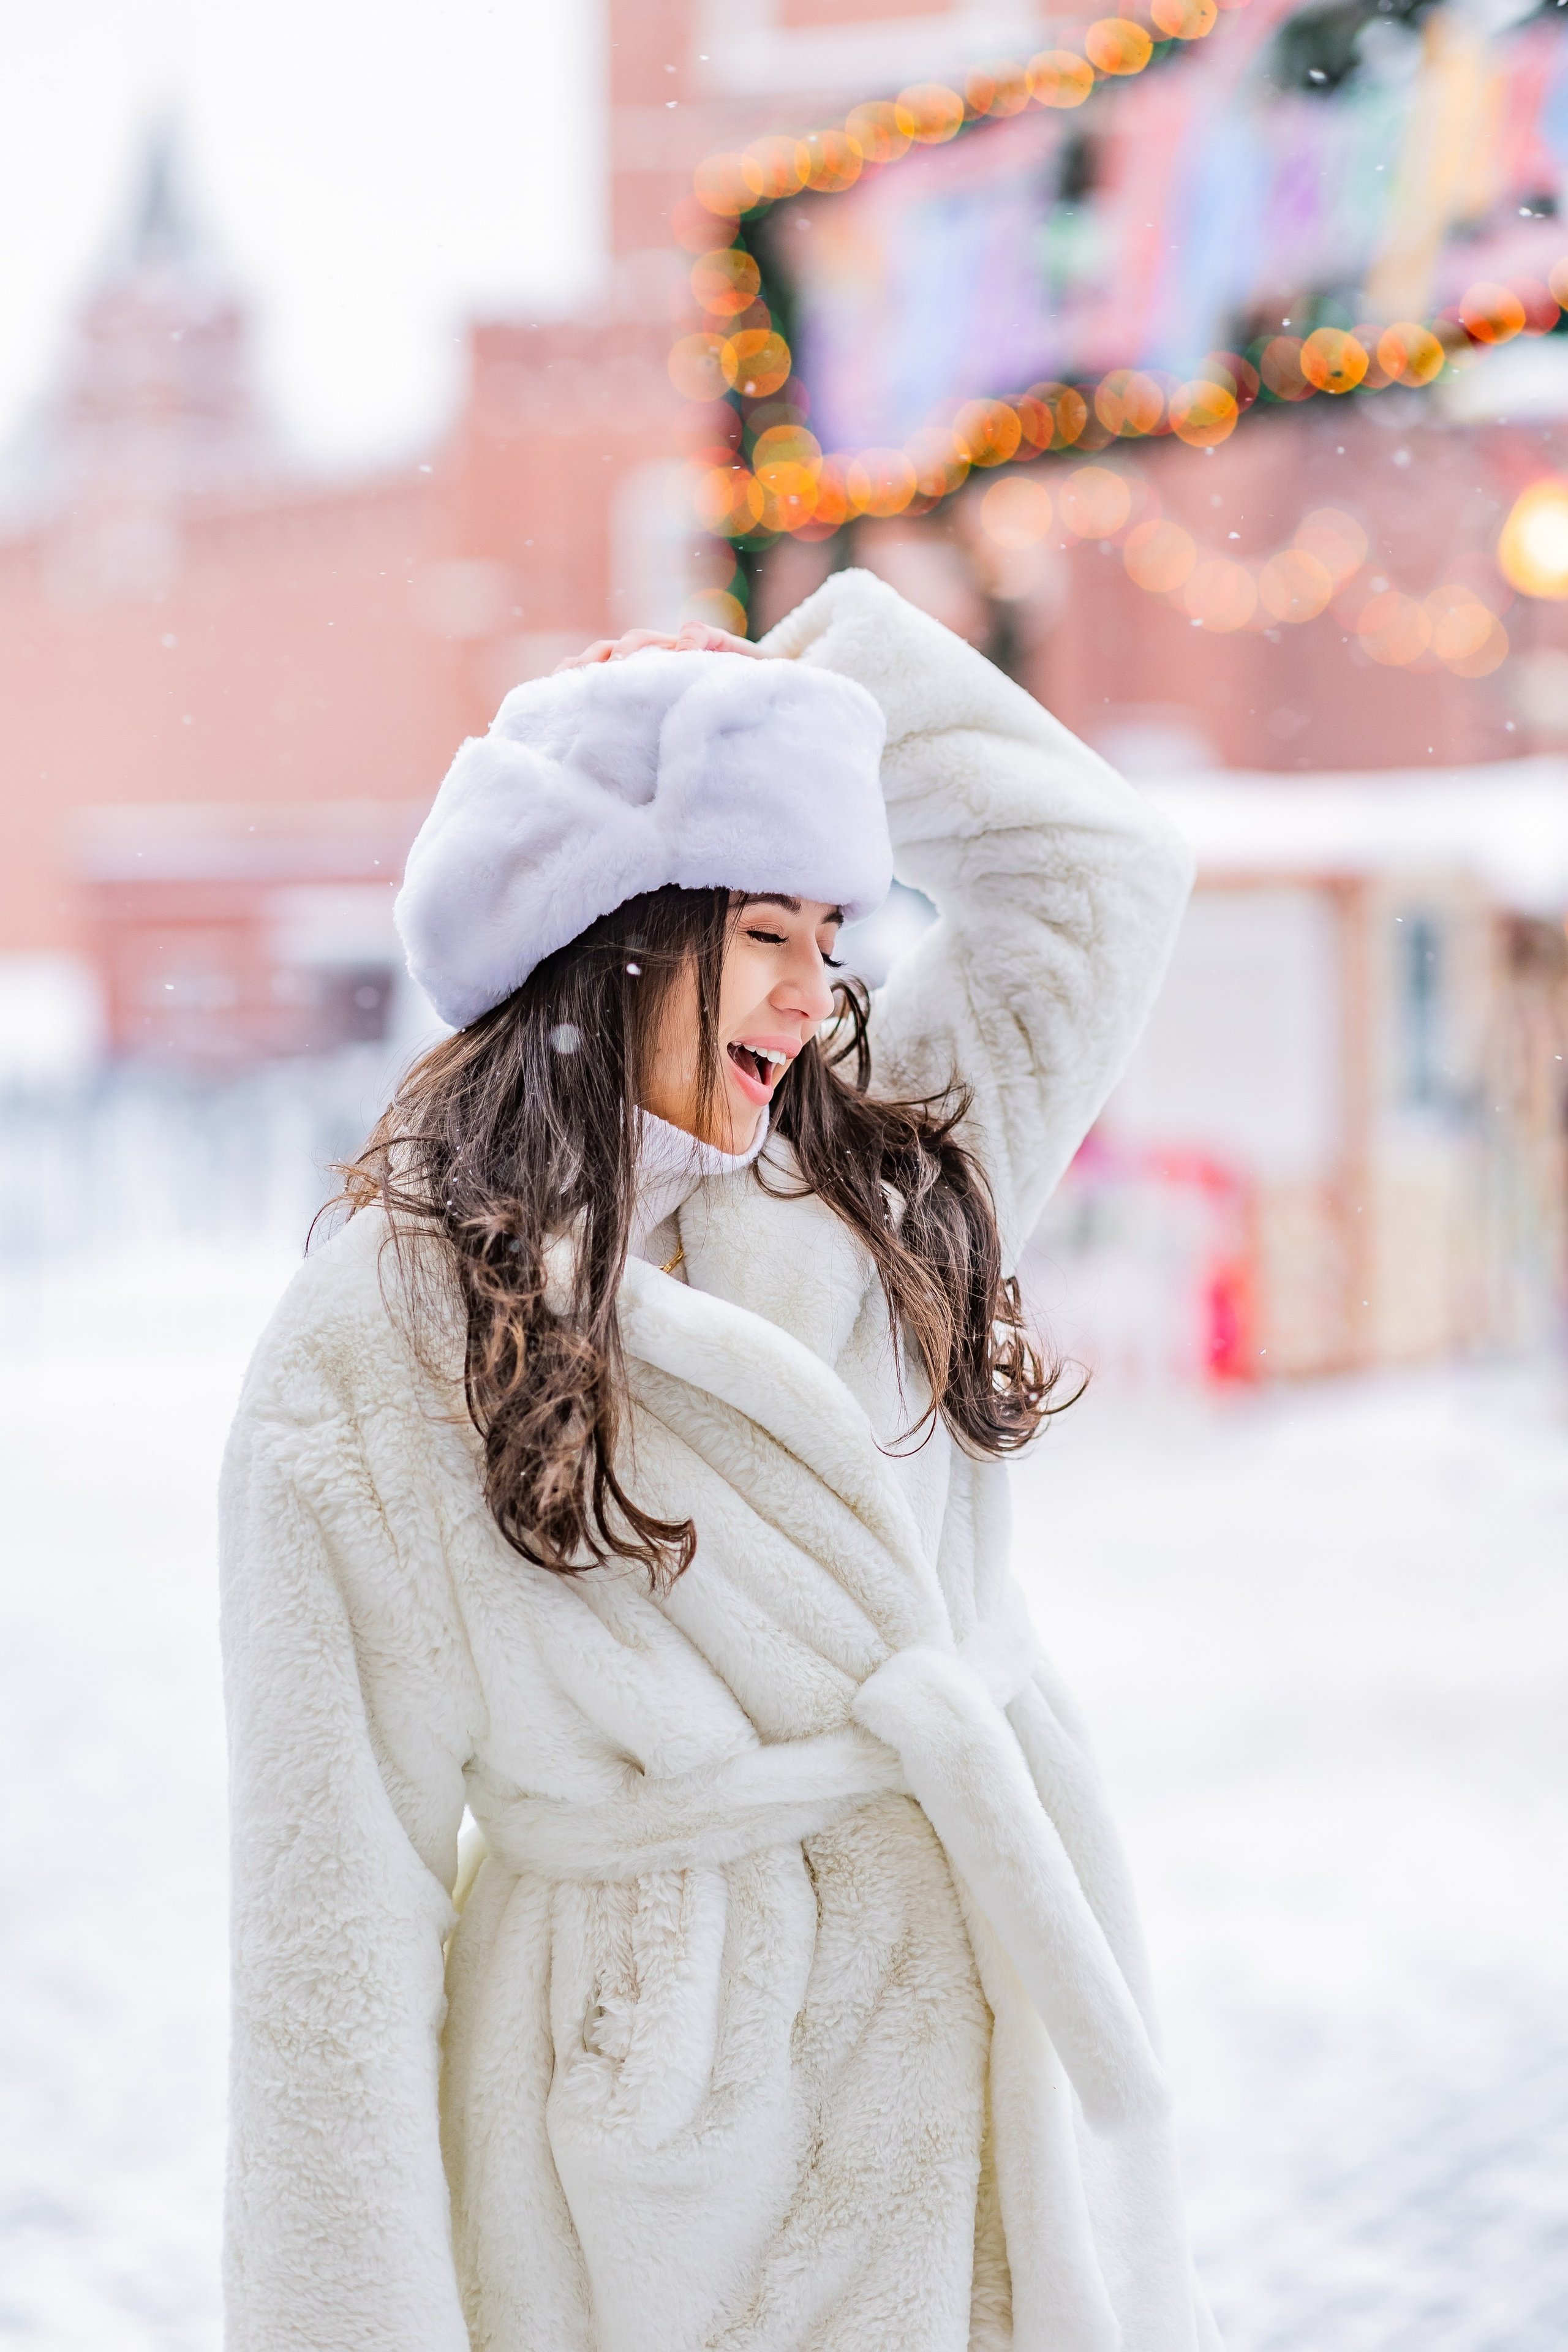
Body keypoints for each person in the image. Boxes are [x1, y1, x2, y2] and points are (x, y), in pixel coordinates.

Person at [220, 567, 1216, 2352]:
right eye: (766, 931)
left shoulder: (886, 1168)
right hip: (648, 2161)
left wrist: (797, 693)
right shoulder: (379, 1343)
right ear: (612, 922)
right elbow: (330, 1938)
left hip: (973, 2065)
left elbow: (1097, 879)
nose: (811, 994)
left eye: (833, 938)